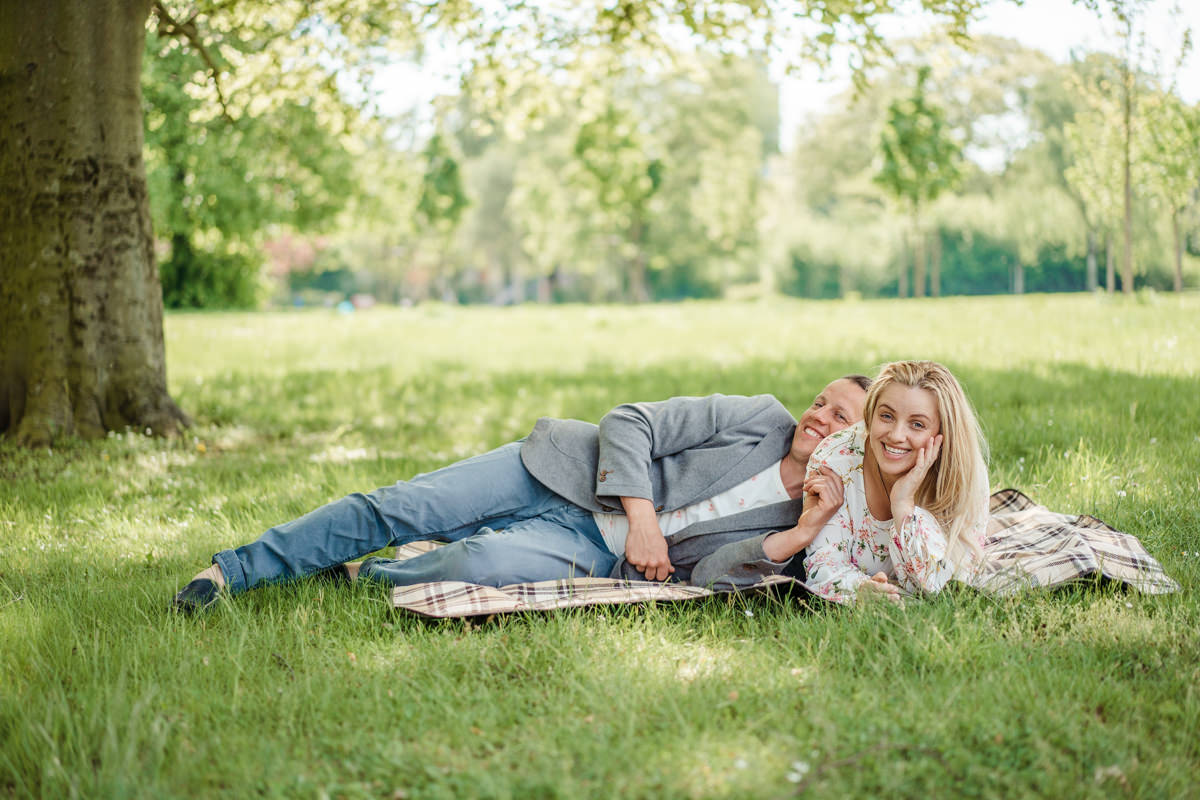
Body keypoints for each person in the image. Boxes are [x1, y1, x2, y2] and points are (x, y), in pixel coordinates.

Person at [173, 376, 871, 613]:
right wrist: (644, 519)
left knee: (474, 565)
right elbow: (630, 421)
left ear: (856, 447)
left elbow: (716, 578)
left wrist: (806, 532)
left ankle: (362, 573)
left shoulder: (809, 520)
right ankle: (234, 570)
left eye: (840, 418)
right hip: (556, 468)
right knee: (400, 509)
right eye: (822, 402)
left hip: (585, 550)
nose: (818, 417)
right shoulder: (759, 415)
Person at [777, 360, 990, 605]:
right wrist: (860, 591)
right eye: (886, 416)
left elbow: (947, 587)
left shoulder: (964, 475)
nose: (896, 436)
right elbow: (823, 567)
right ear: (870, 414)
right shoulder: (835, 458)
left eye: (917, 424)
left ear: (944, 433)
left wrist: (903, 505)